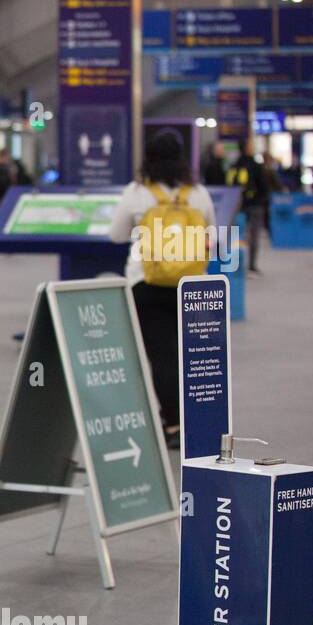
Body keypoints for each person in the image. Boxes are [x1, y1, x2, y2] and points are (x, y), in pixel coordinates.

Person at [109, 132, 216, 449]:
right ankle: (199, 421)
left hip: (148, 285)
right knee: (191, 356)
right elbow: (213, 234)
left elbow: (116, 235)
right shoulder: (197, 193)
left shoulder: (138, 192)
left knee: (163, 356)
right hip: (192, 286)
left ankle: (173, 424)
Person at [225, 138, 269, 276]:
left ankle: (235, 264)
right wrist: (262, 200)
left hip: (238, 206)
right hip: (255, 205)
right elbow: (263, 185)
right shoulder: (256, 165)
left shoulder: (234, 165)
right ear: (247, 148)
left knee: (236, 236)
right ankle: (251, 265)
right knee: (254, 235)